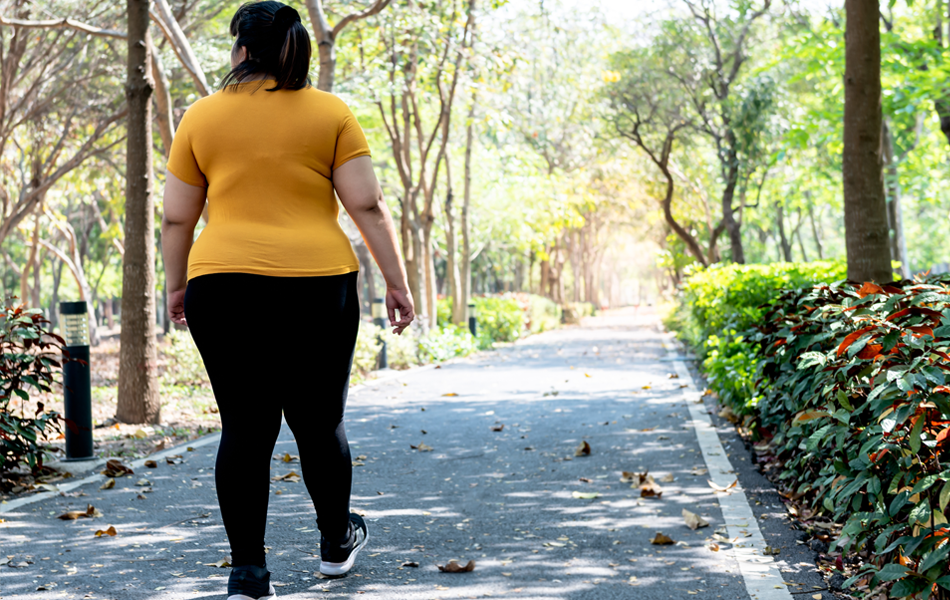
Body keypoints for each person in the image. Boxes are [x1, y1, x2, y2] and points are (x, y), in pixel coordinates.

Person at [160, 2, 414, 598]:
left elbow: (177, 218)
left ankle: (248, 573)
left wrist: (177, 284)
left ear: (241, 49)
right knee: (318, 423)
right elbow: (369, 207)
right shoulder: (330, 112)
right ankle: (334, 542)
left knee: (245, 429)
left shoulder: (200, 116)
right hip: (317, 285)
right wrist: (399, 283)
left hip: (221, 285)